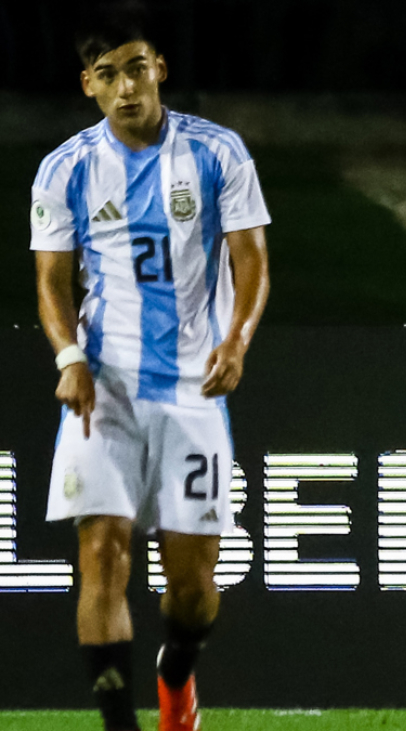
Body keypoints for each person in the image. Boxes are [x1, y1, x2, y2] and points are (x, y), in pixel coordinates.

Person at [30, 6, 271, 731]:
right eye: (109, 75)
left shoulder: (217, 153)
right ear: (88, 85)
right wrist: (70, 357)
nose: (127, 86)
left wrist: (237, 340)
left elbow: (251, 260)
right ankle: (119, 724)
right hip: (103, 389)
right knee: (100, 551)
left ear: (159, 68)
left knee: (192, 590)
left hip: (193, 393)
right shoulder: (67, 168)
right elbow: (51, 281)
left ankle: (177, 671)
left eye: (137, 68)